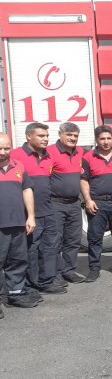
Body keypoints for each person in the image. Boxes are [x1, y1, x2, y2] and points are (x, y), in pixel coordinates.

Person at [11, 123, 65, 294]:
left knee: (49, 247)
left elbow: (76, 153)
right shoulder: (15, 155)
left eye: (47, 136)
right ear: (29, 136)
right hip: (28, 213)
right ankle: (30, 283)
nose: (46, 139)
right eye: (41, 136)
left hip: (48, 209)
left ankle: (46, 281)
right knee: (31, 249)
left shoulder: (49, 156)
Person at [80, 125, 112, 282]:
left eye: (109, 138)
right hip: (98, 203)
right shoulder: (88, 157)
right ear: (96, 140)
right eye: (102, 138)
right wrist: (88, 200)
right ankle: (94, 268)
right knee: (95, 237)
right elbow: (83, 180)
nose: (106, 141)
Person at [0, 132, 39, 314]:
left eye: (6, 148)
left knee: (17, 260)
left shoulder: (19, 166)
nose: (2, 152)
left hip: (17, 223)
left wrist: (30, 216)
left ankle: (15, 293)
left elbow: (27, 190)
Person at [46, 122, 86, 285]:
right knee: (55, 240)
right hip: (56, 203)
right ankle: (55, 274)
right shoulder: (49, 152)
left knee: (73, 239)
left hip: (74, 203)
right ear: (60, 134)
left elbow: (97, 151)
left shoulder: (80, 151)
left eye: (75, 135)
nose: (72, 138)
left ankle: (69, 271)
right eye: (69, 135)